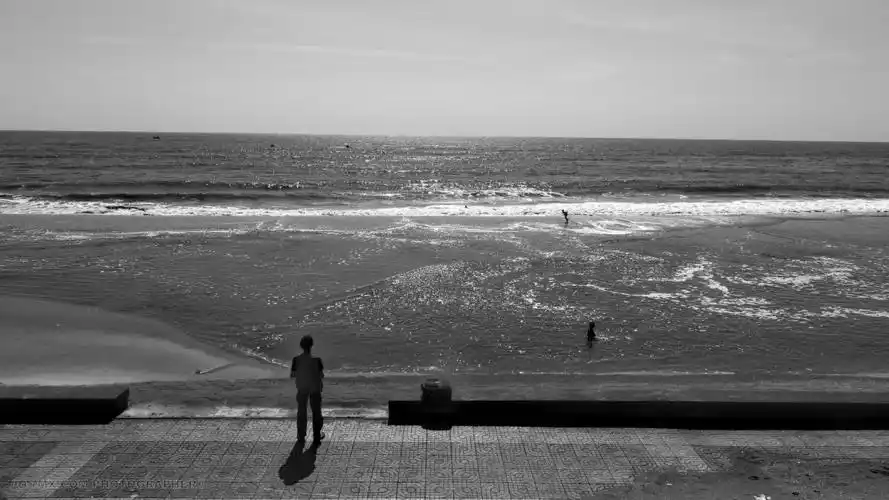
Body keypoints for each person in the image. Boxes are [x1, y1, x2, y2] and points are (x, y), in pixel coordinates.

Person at [290, 335, 325, 445]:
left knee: (301, 412)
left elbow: (293, 375)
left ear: (301, 346)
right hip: (315, 388)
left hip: (302, 388)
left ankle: (301, 436)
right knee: (316, 412)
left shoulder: (296, 360)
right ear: (312, 346)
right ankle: (316, 436)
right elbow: (321, 375)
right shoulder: (317, 360)